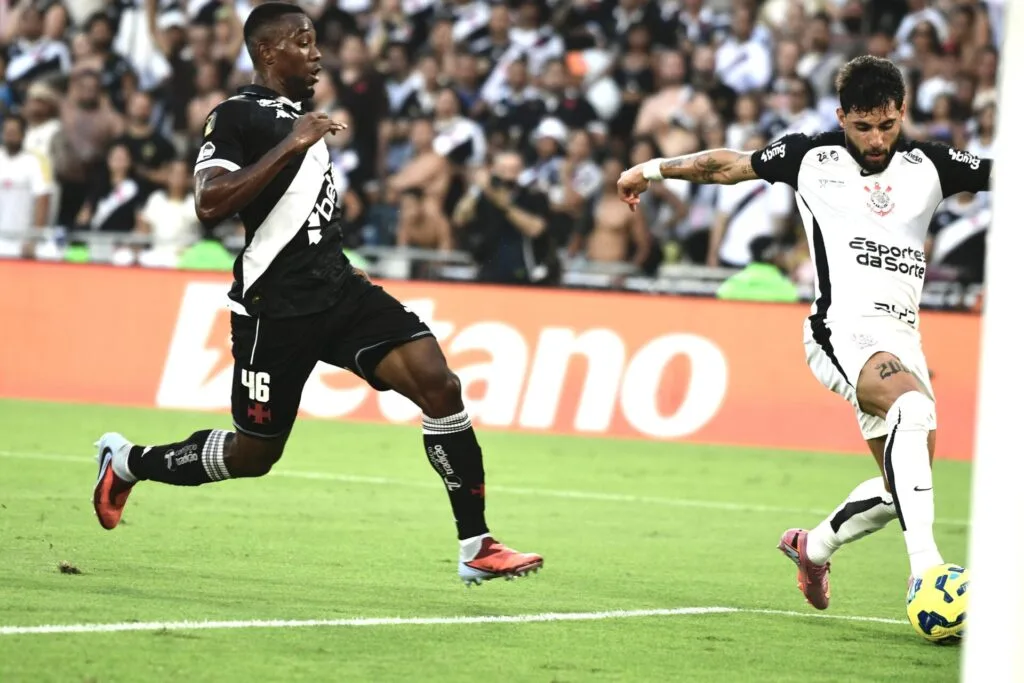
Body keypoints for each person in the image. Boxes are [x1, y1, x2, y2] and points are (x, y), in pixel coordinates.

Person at [92, 2, 542, 587]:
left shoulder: (304, 119)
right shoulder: (236, 116)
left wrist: (338, 255)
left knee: (440, 383)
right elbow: (208, 202)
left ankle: (476, 544)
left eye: (316, 41)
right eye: (303, 42)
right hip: (274, 311)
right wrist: (292, 144)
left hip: (338, 292)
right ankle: (128, 462)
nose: (317, 53)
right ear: (267, 52)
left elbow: (305, 218)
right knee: (254, 456)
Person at [616, 55, 991, 610]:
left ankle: (811, 548)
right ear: (842, 116)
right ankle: (927, 575)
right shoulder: (810, 156)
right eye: (862, 126)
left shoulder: (930, 164)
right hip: (839, 331)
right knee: (912, 412)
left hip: (901, 338)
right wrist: (652, 169)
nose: (876, 138)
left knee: (900, 490)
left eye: (886, 125)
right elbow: (728, 166)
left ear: (902, 112)